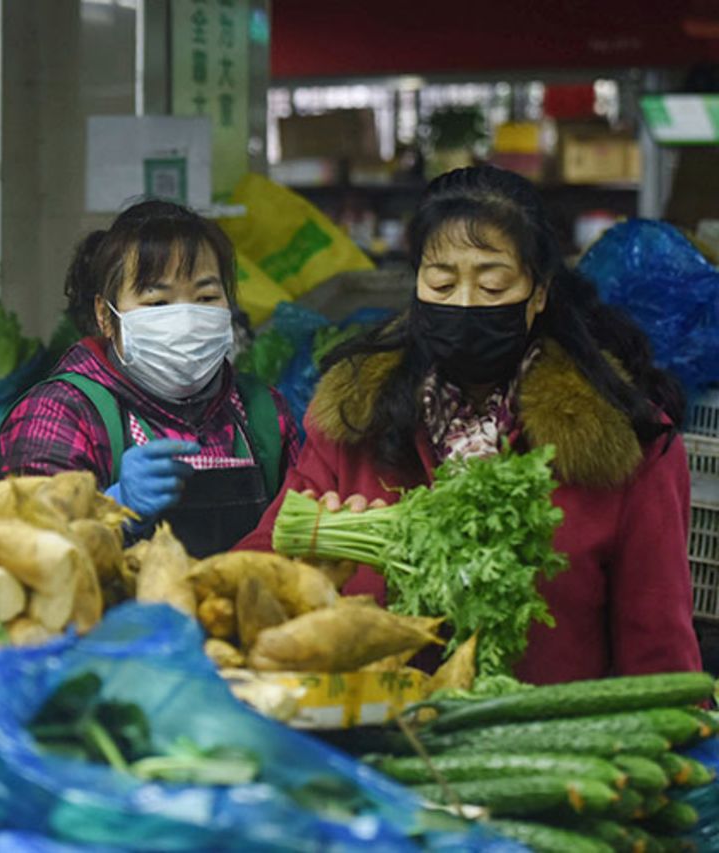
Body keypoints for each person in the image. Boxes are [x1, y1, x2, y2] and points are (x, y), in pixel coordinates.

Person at [235, 165, 701, 684]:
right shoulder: (354, 418)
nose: (463, 302)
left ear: (539, 293)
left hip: (542, 752)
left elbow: (659, 651)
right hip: (375, 735)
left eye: (493, 283)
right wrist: (310, 571)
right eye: (441, 281)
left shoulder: (624, 441)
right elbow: (253, 569)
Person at [0, 199, 300, 557]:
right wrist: (113, 506)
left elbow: (303, 535)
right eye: (157, 303)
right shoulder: (58, 414)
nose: (186, 319)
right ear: (106, 316)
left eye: (206, 297)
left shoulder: (264, 412)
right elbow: (28, 552)